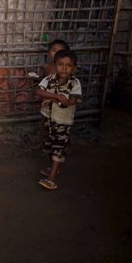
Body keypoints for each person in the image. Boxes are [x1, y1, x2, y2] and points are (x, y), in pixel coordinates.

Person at [35, 49, 82, 191]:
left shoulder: (75, 83)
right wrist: (57, 97)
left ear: (74, 68)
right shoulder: (49, 79)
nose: (64, 68)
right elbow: (38, 91)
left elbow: (70, 101)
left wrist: (53, 99)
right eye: (61, 64)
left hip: (63, 122)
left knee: (57, 149)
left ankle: (51, 180)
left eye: (68, 65)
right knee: (49, 146)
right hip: (49, 120)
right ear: (55, 65)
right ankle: (55, 169)